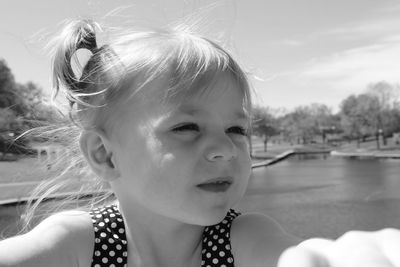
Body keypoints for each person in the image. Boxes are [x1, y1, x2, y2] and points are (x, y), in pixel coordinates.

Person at [1, 18, 399, 267]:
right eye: (187, 127)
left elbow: (301, 259)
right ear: (105, 155)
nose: (225, 148)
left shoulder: (243, 240)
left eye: (237, 130)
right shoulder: (75, 244)